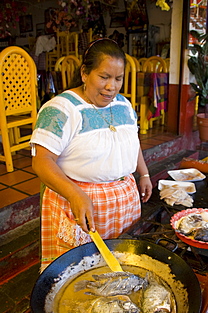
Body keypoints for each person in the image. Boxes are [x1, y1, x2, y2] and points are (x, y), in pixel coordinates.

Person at [30, 38, 152, 272]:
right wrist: (75, 194)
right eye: (104, 77)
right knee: (82, 271)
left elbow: (132, 142)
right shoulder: (61, 109)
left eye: (118, 79)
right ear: (85, 73)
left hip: (124, 202)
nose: (111, 87)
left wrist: (144, 173)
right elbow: (42, 160)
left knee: (121, 266)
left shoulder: (124, 105)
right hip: (81, 205)